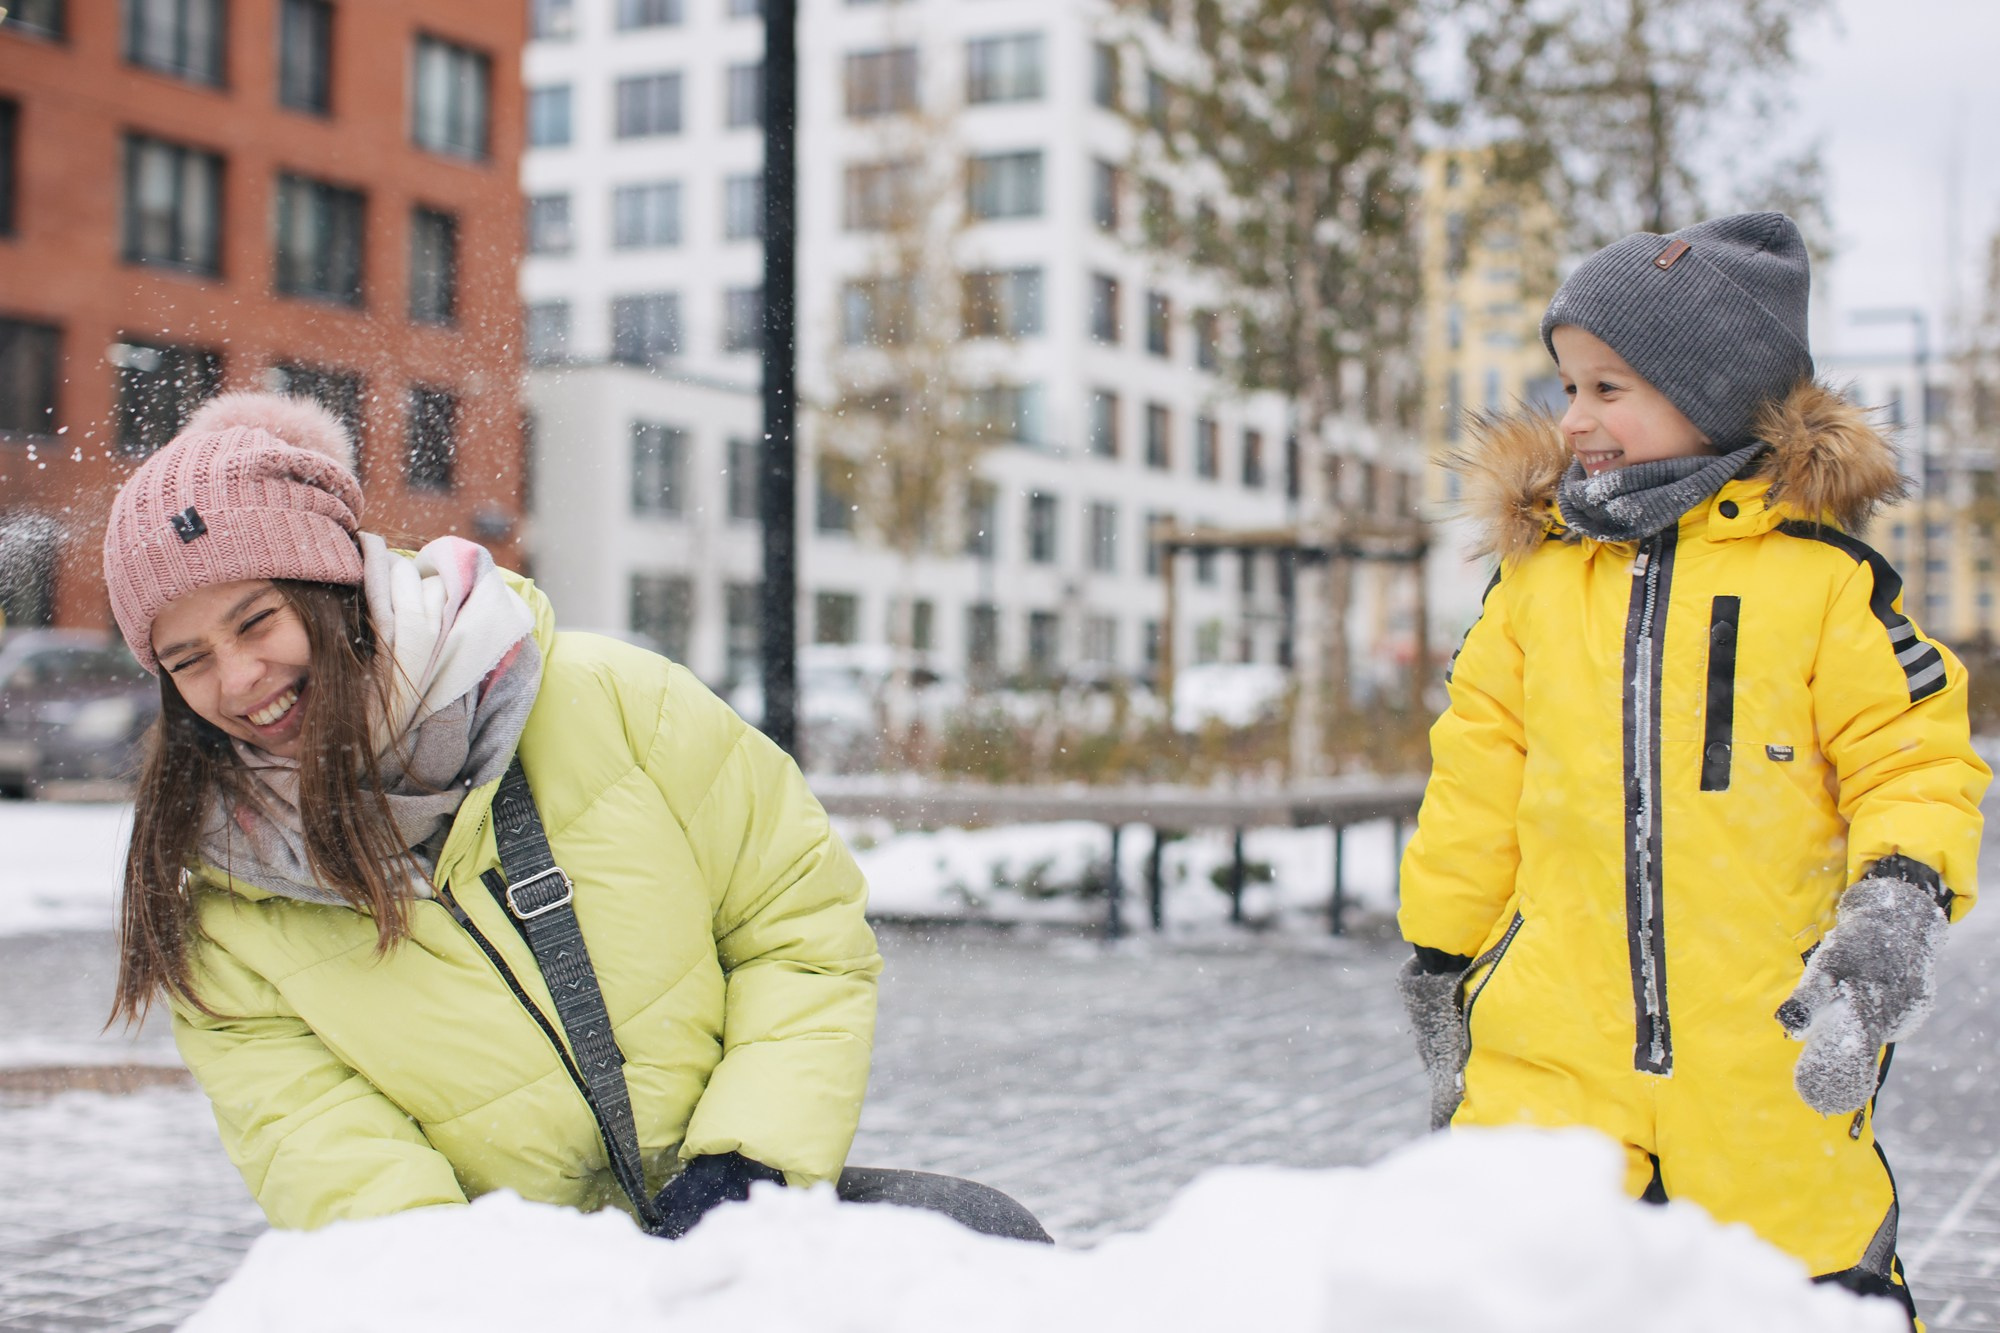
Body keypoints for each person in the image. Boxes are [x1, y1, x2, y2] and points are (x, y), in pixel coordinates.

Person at [103, 392, 1048, 1243]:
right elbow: (321, 1146)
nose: (235, 681)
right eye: (186, 660)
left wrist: (749, 1168)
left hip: (738, 1223)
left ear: (332, 586)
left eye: (257, 619)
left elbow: (796, 926)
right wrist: (507, 1290)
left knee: (986, 1238)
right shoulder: (217, 895)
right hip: (508, 1287)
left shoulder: (613, 698)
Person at [1396, 212, 1986, 1323]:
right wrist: (1439, 960)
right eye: (1566, 387)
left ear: (1711, 393)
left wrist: (1892, 908)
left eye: (1606, 389)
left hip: (1767, 1048)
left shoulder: (1821, 585)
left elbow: (1909, 760)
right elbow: (1473, 788)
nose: (1572, 419)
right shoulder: (1531, 589)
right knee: (1517, 1290)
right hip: (1546, 1044)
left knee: (1804, 1288)